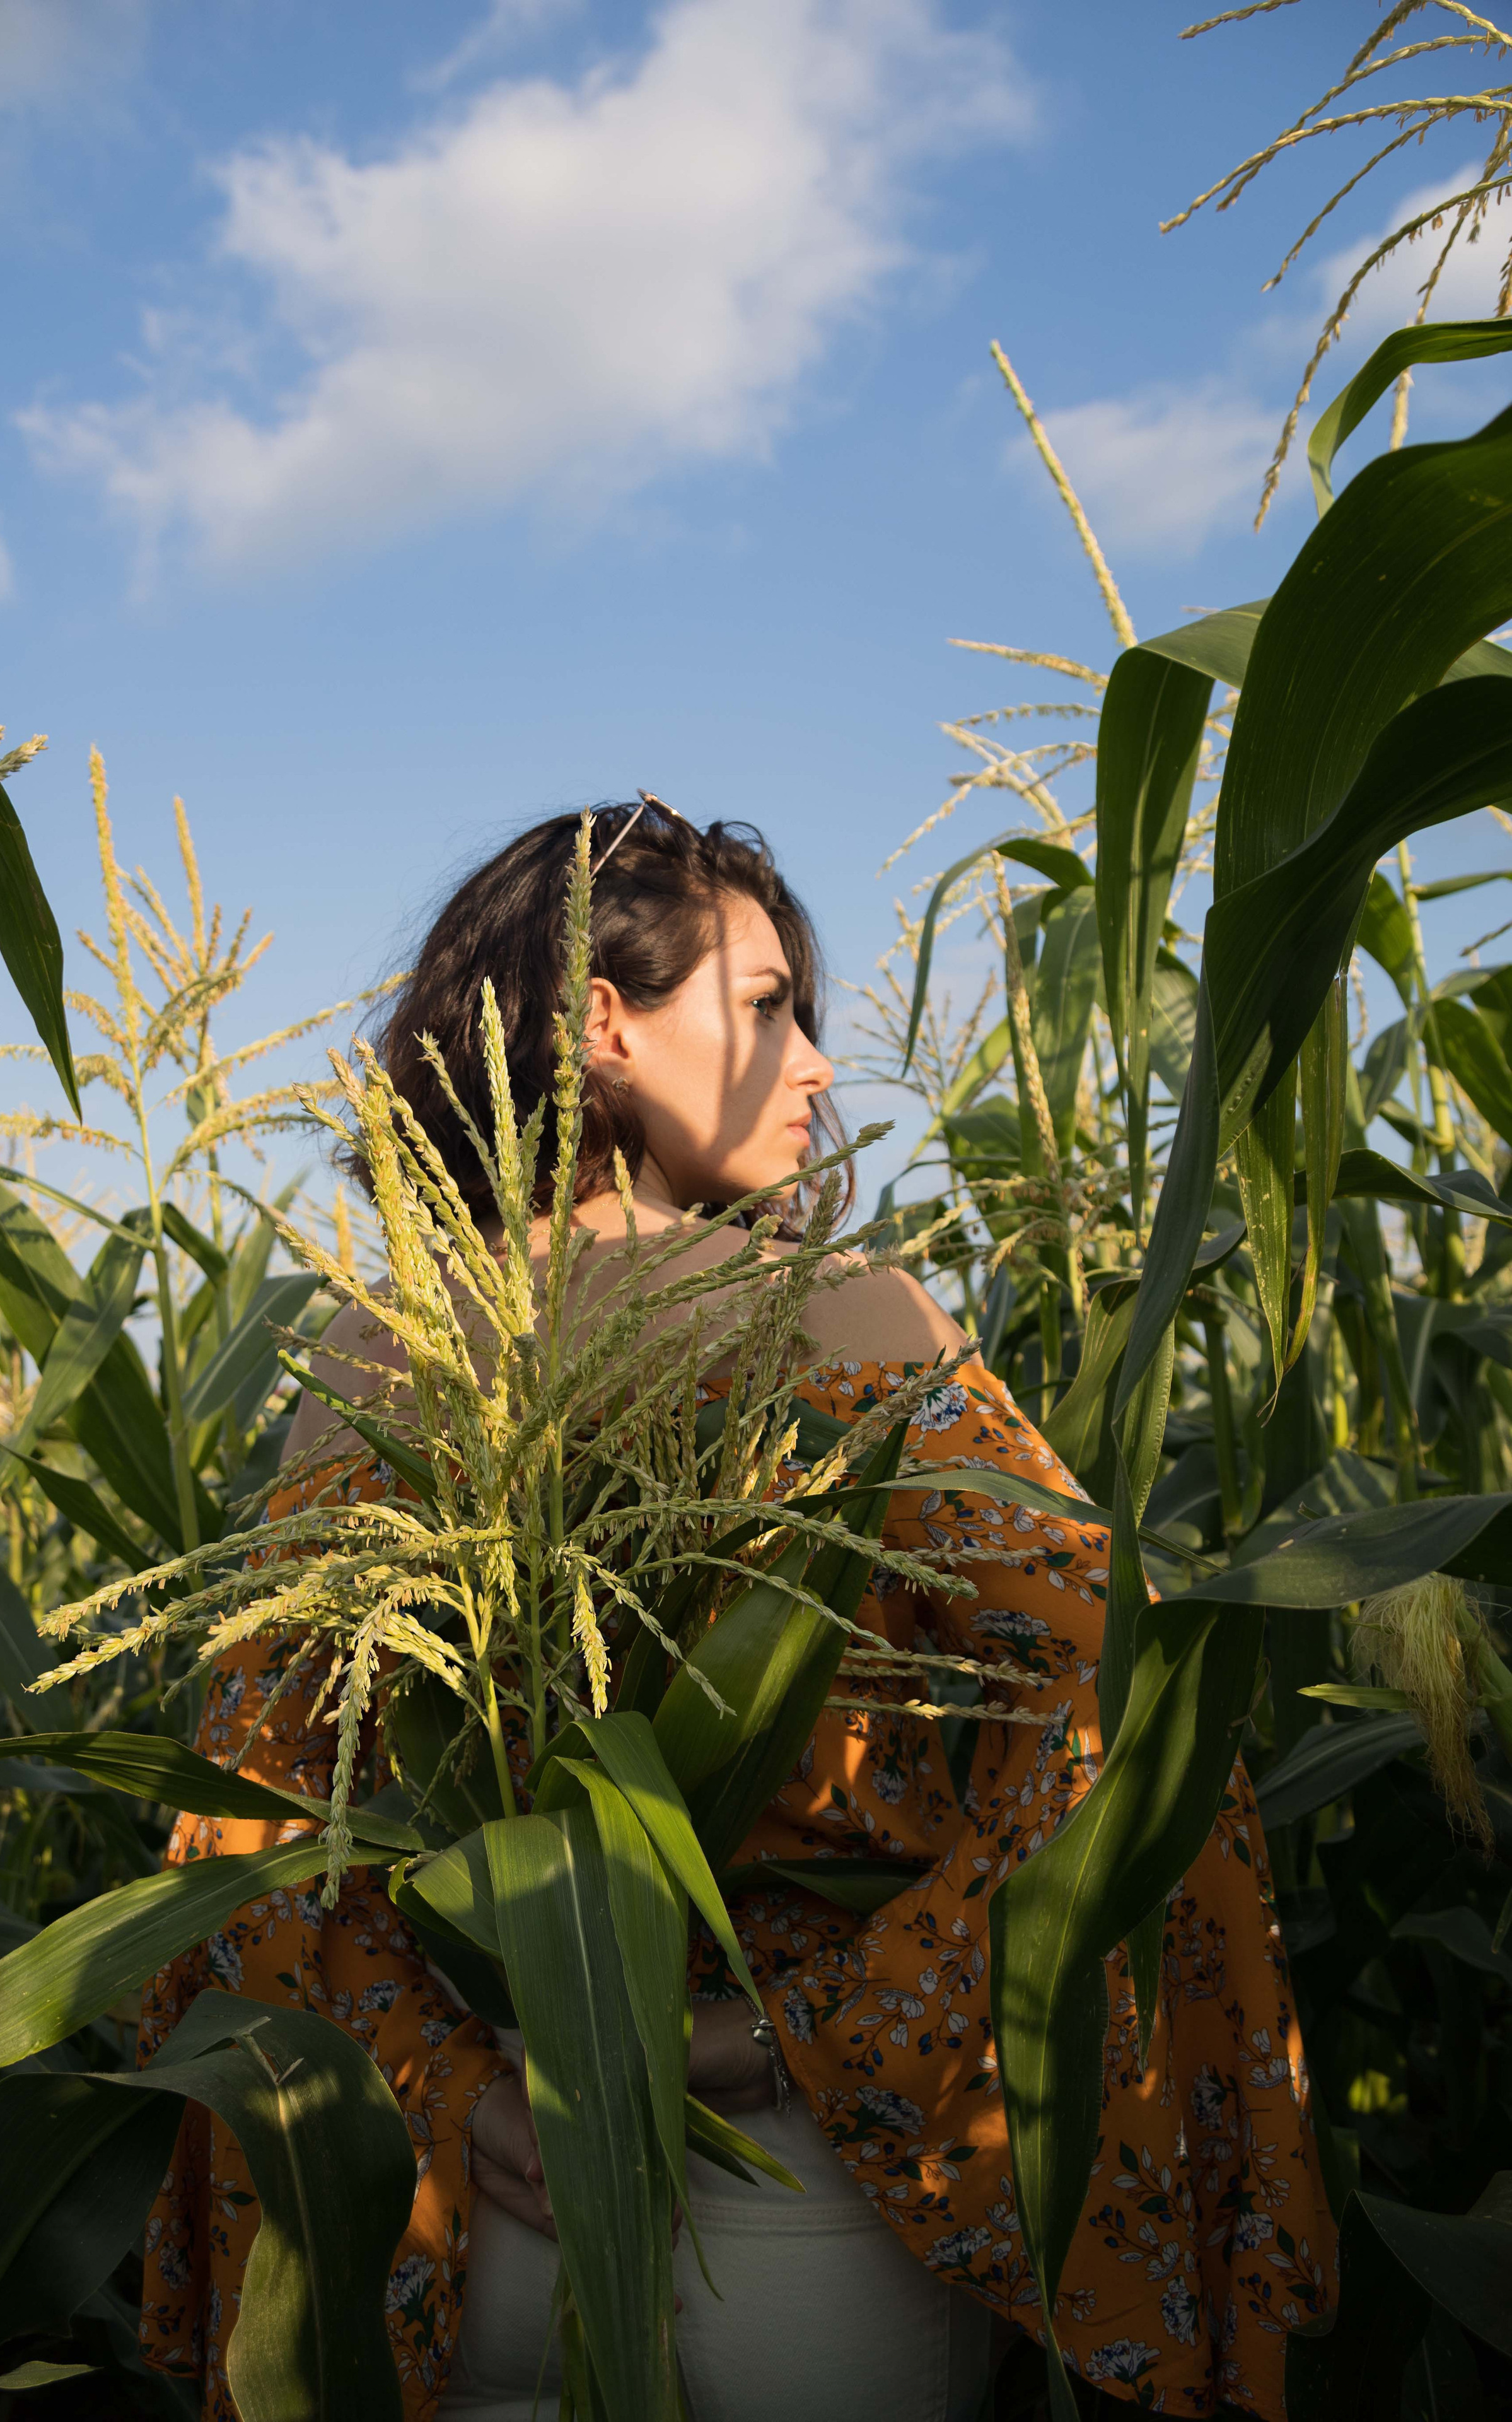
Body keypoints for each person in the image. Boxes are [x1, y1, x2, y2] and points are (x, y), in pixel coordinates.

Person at [137, 800, 1336, 2421]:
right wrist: (803, 2033)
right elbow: (1127, 1722)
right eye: (767, 1005)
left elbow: (259, 1839)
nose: (819, 1062)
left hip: (463, 2209)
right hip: (800, 2201)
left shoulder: (368, 1365)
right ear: (606, 1028)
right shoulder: (851, 1323)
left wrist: (449, 2081)